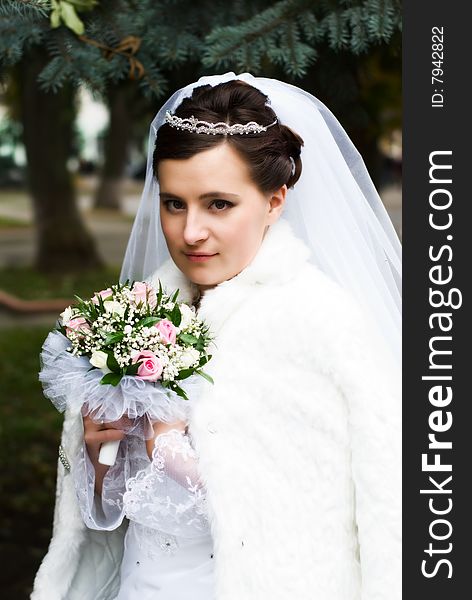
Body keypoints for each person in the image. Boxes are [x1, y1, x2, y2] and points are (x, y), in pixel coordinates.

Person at [31, 72, 401, 600]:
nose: (190, 232)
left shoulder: (319, 324)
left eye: (219, 204)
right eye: (174, 203)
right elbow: (106, 521)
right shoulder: (141, 315)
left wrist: (168, 445)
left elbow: (334, 516)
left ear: (275, 201)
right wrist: (98, 460)